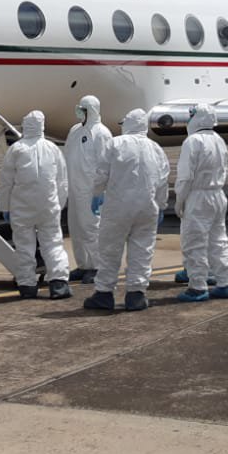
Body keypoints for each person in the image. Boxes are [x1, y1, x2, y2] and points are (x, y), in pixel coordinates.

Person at [83, 109, 169, 313]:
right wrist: (162, 205)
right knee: (142, 250)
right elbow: (163, 181)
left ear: (128, 123)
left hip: (118, 207)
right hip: (147, 207)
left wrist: (96, 194)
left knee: (109, 250)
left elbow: (101, 174)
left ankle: (104, 293)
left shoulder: (115, 143)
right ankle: (136, 295)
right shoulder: (156, 148)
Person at [0, 110, 71, 299]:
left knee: (24, 246)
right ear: (42, 126)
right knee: (53, 243)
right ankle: (59, 284)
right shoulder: (53, 148)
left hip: (22, 208)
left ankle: (27, 286)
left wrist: (5, 207)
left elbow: (6, 182)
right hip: (48, 207)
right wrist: (59, 205)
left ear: (25, 125)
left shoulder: (16, 149)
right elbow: (62, 181)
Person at [175, 103, 228, 301]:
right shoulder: (219, 140)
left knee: (194, 242)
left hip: (198, 197)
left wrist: (180, 199)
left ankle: (197, 286)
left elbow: (186, 176)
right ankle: (226, 282)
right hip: (217, 194)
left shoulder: (192, 141)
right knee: (218, 242)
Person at [64, 95, 112, 284]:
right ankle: (83, 265)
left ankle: (97, 266)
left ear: (90, 110)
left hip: (91, 191)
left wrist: (99, 191)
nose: (79, 113)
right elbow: (67, 155)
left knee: (92, 229)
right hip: (75, 190)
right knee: (76, 228)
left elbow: (105, 163)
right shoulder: (75, 130)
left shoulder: (102, 133)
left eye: (82, 109)